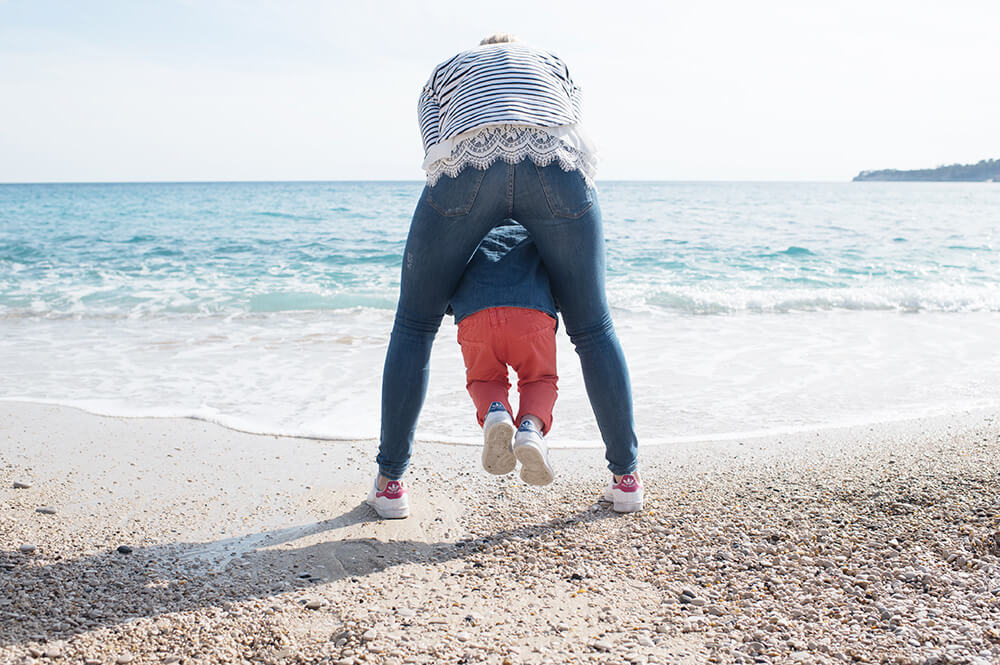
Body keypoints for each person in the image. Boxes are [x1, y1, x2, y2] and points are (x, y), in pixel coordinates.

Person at [367, 33, 643, 520]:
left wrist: (476, 209)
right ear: (519, 49)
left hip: (468, 159)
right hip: (554, 161)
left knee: (414, 324)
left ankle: (390, 485)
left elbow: (435, 149)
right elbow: (570, 119)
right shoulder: (553, 61)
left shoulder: (446, 69)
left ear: (479, 50)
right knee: (593, 329)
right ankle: (626, 480)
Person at [451, 220, 558, 487]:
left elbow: (446, 273)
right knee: (539, 379)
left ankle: (496, 413)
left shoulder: (469, 232)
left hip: (475, 316)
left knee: (485, 380)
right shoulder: (533, 230)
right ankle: (531, 429)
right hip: (531, 315)